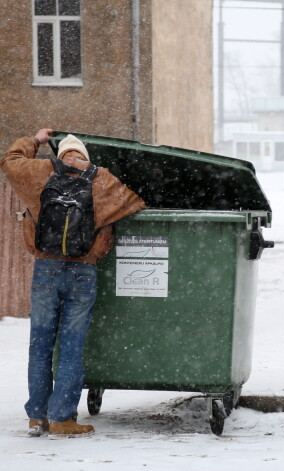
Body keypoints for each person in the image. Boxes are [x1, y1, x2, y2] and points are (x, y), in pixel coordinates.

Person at [1, 129, 147, 438]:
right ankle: (62, 418)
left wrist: (35, 141)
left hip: (46, 269)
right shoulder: (102, 179)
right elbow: (135, 204)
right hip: (83, 272)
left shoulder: (40, 171)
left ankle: (37, 417)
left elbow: (9, 160)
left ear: (61, 154)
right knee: (71, 346)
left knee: (40, 345)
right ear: (84, 155)